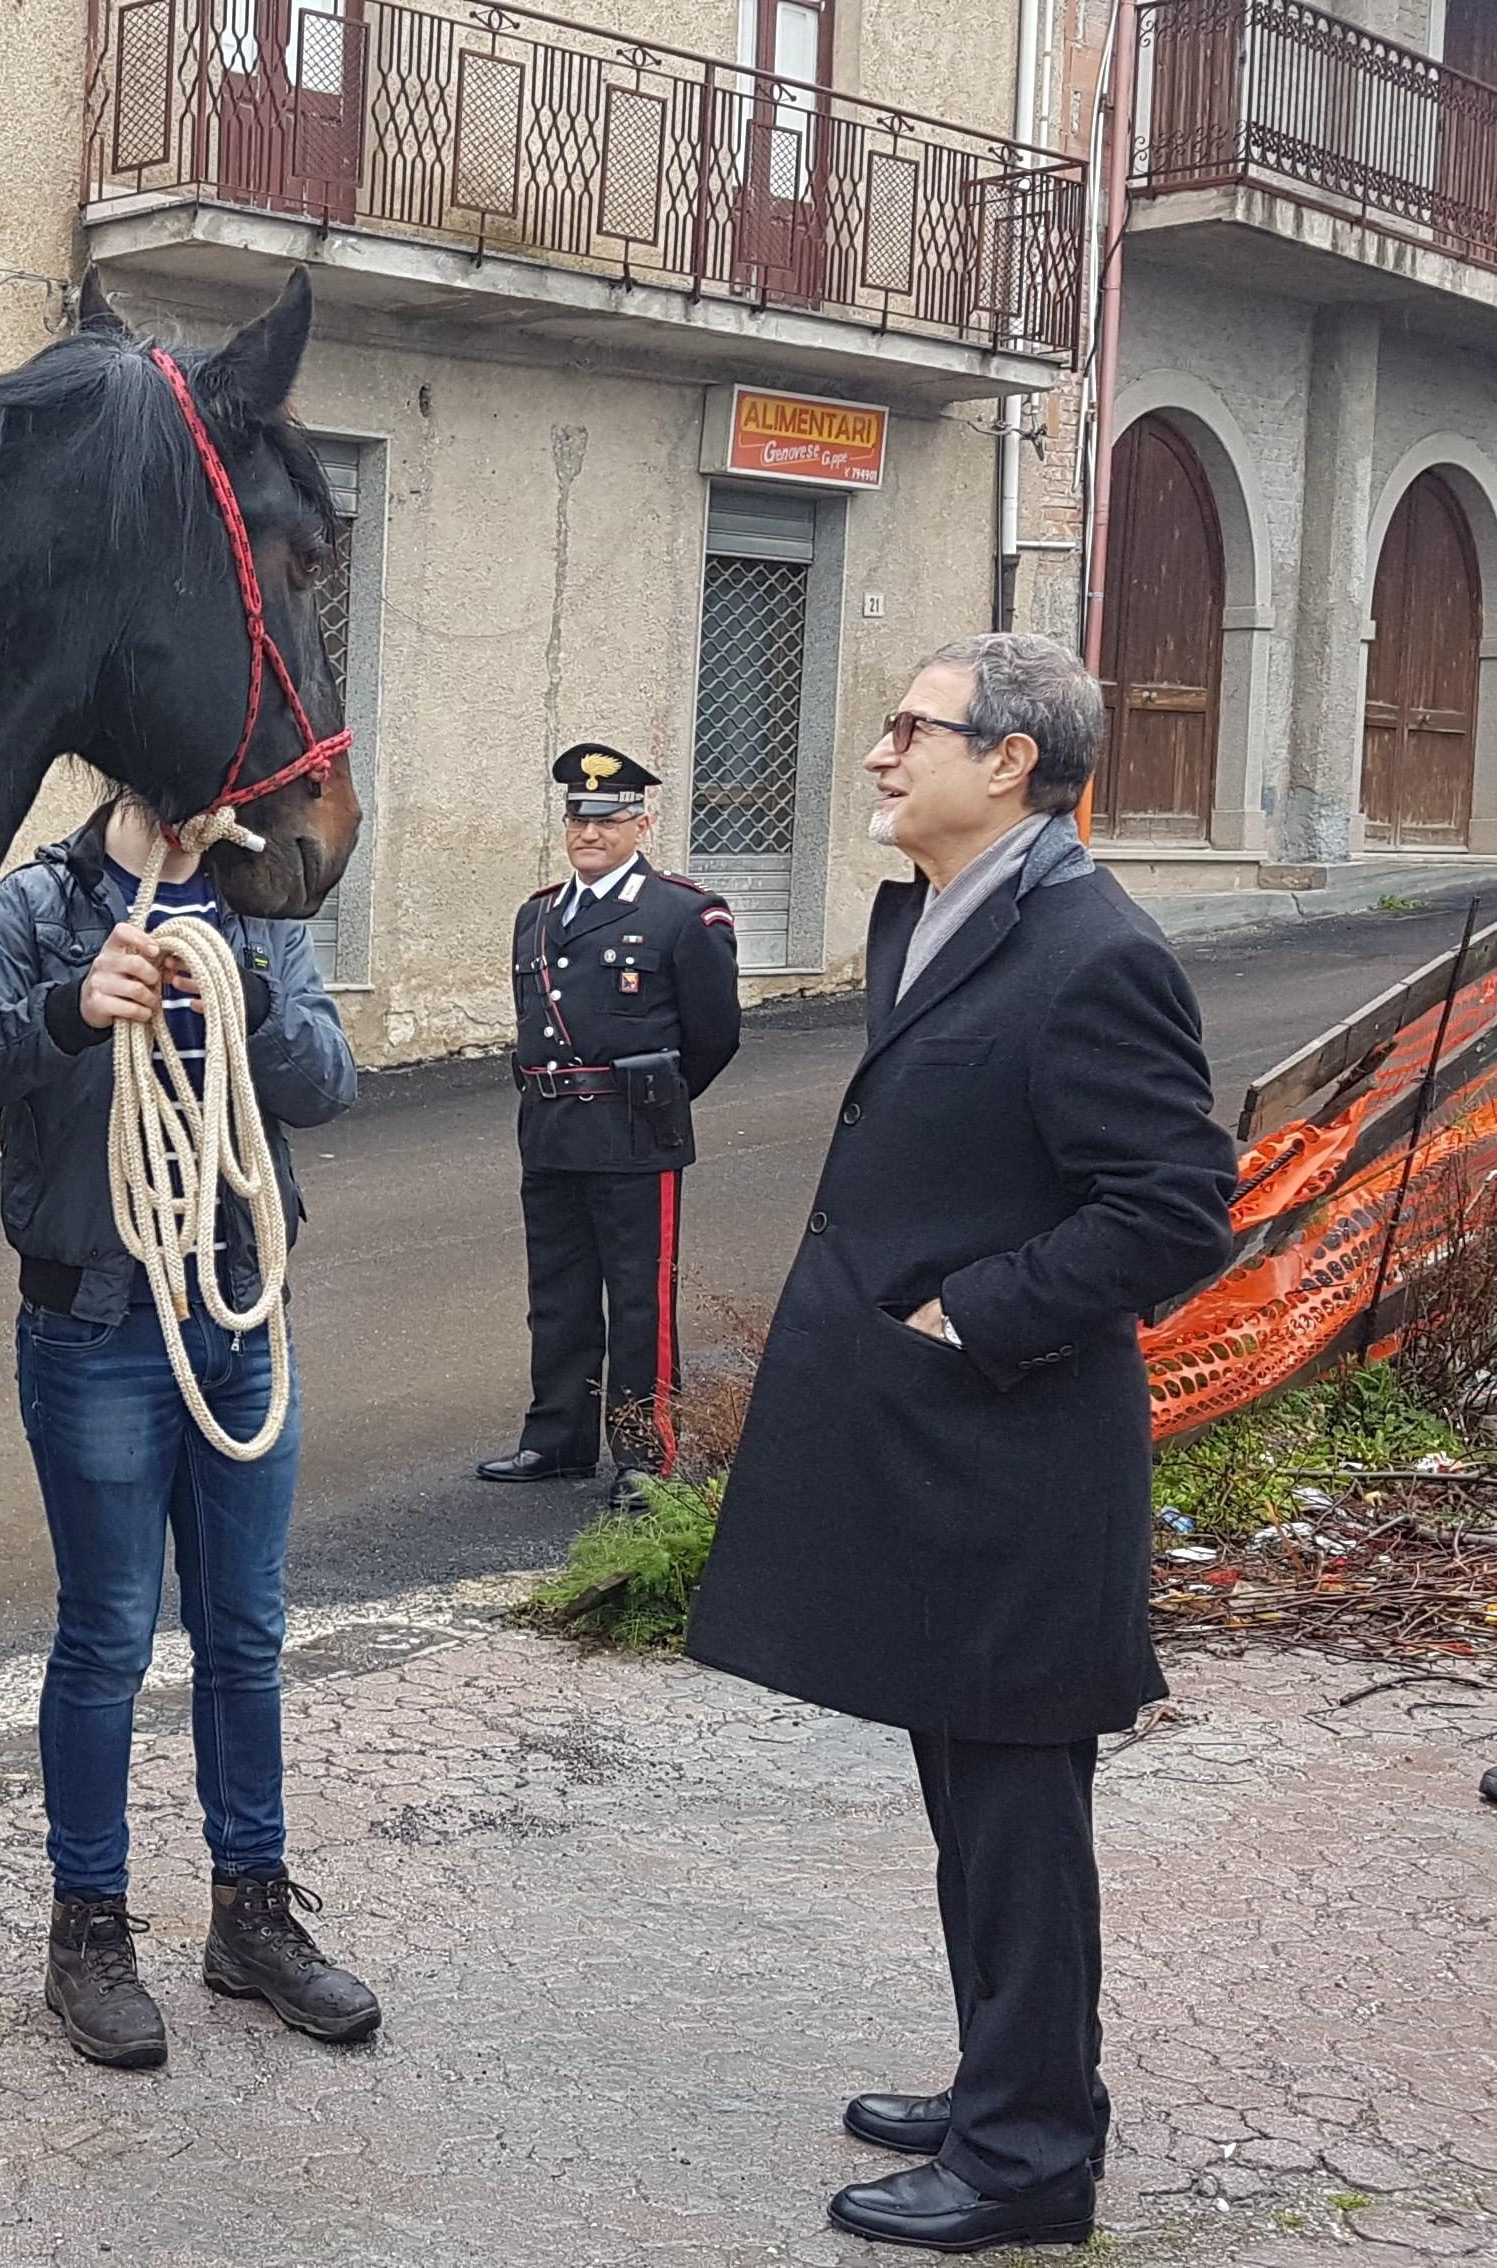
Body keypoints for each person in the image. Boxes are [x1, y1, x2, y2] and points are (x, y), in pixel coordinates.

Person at [685, 633, 1239, 2253]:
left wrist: (980, 1313)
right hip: (934, 1449)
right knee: (965, 1789)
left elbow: (1176, 1206)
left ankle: (1029, 2156)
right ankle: (1013, 2072)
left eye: (909, 726)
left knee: (1016, 1811)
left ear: (1009, 760)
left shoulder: (1092, 950)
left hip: (1018, 1453)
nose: (876, 751)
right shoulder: (932, 910)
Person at [0, 790, 380, 2070]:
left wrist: (253, 1000)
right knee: (109, 1633)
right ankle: (89, 1933)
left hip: (240, 1313)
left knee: (246, 1630)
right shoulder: (37, 903)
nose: (218, 796)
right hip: (98, 1325)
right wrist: (69, 1009)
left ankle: (252, 1919)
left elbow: (328, 1085)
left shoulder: (255, 899)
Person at [476, 744, 741, 1495]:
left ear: (640, 823)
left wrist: (655, 1099)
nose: (588, 832)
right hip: (550, 1129)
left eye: (608, 818)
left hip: (633, 1129)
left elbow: (714, 1034)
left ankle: (642, 1458)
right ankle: (555, 1438)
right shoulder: (536, 916)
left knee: (638, 1300)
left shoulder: (681, 914)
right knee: (555, 1295)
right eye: (577, 818)